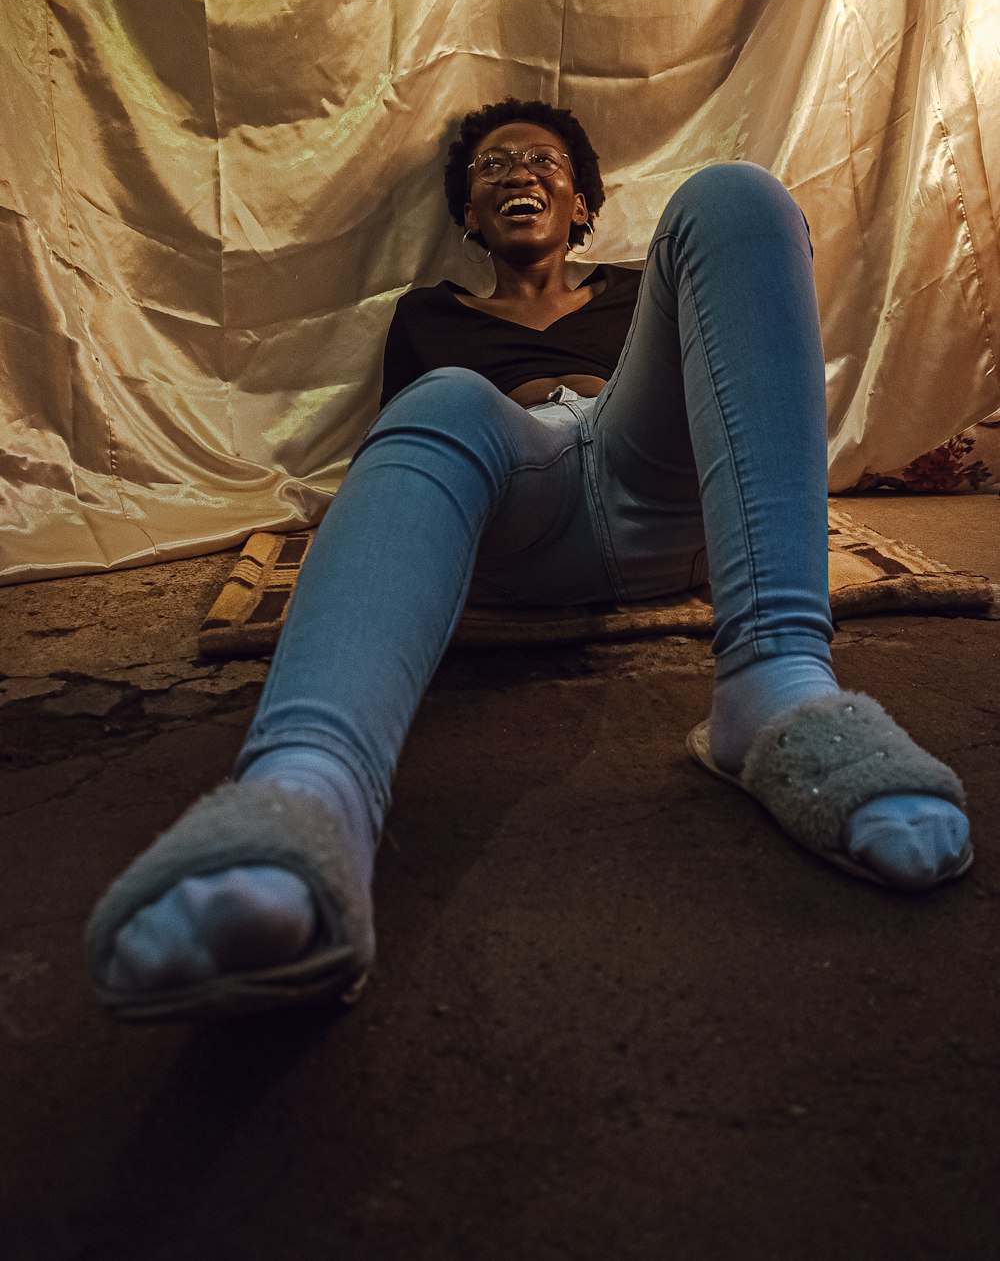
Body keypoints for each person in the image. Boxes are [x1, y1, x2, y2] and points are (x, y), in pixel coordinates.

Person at [86, 97, 973, 1021]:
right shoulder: (429, 315)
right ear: (468, 215)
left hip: (652, 474)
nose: (521, 175)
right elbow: (408, 467)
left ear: (583, 204)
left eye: (545, 163)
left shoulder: (641, 291)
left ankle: (779, 682)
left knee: (737, 198)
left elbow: (728, 394)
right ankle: (307, 786)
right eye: (495, 167)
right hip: (522, 500)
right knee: (443, 400)